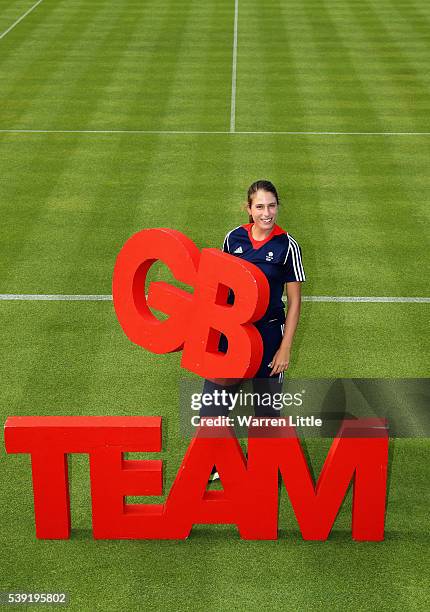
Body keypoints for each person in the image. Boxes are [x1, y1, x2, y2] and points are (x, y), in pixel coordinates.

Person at [199, 179, 306, 479]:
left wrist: (285, 347)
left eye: (271, 205)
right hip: (234, 335)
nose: (266, 212)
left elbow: (294, 302)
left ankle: (262, 468)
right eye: (259, 206)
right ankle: (218, 464)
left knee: (266, 412)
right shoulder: (233, 239)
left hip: (270, 336)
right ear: (248, 209)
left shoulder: (288, 246)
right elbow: (218, 290)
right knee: (213, 405)